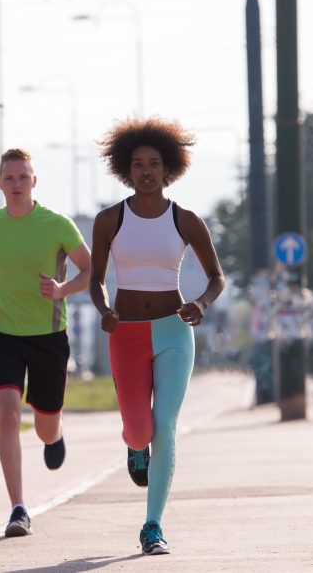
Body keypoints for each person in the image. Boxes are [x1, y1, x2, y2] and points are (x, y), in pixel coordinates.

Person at [89, 117, 226, 555]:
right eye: (137, 164)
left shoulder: (186, 220)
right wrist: (104, 310)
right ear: (125, 169)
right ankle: (135, 448)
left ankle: (153, 526)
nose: (145, 171)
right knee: (138, 431)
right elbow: (96, 281)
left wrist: (201, 304)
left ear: (169, 168)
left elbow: (217, 278)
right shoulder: (109, 220)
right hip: (125, 334)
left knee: (164, 426)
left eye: (153, 164)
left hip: (173, 332)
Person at [0, 148, 92, 538]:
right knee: (6, 413)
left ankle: (56, 433)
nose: (16, 184)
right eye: (9, 178)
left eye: (23, 177)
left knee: (44, 428)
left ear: (34, 181)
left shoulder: (57, 225)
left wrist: (62, 289)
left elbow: (91, 270)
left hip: (48, 337)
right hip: (3, 333)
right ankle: (18, 508)